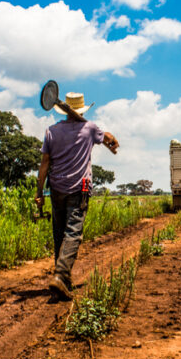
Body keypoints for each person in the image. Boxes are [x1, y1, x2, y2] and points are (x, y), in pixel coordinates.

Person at [35, 92, 119, 299]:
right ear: (81, 109)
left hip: (56, 189)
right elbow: (108, 137)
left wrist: (39, 192)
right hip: (78, 189)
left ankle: (63, 282)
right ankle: (60, 275)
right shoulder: (89, 128)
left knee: (59, 234)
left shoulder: (51, 131)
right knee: (73, 233)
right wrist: (113, 141)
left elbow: (44, 164)